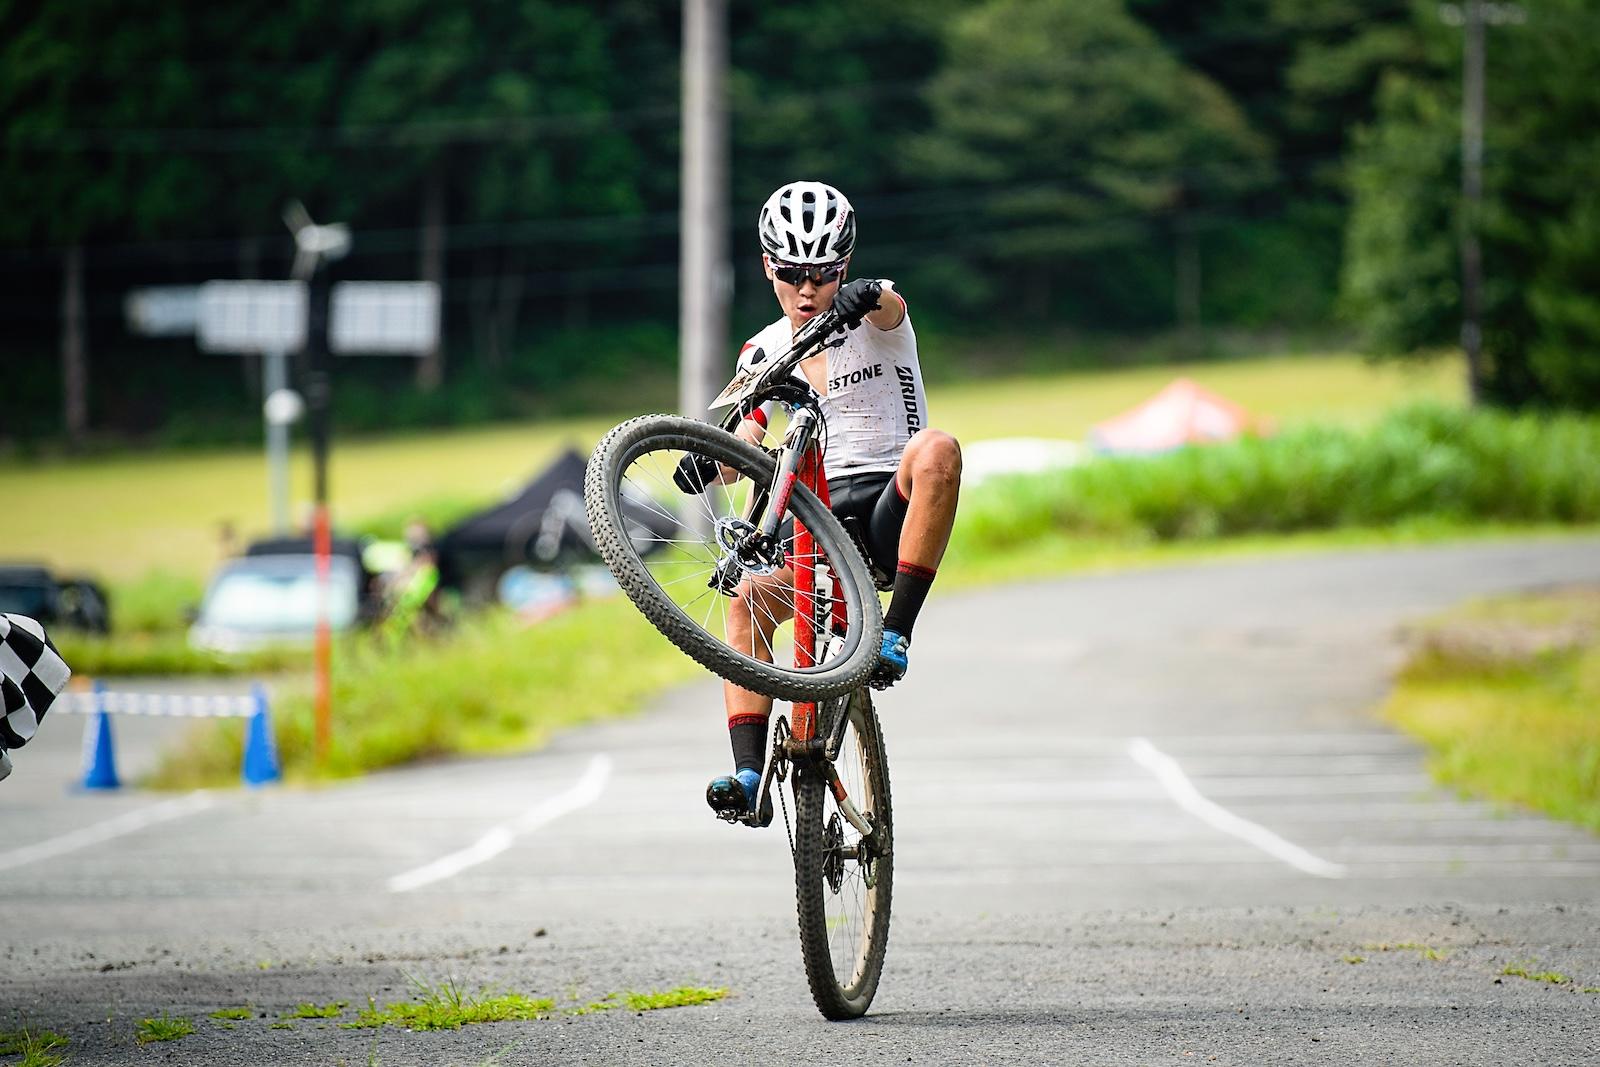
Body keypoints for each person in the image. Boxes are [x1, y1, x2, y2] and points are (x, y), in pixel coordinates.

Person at [701, 180, 962, 821]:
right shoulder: (763, 350)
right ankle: (748, 775)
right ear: (768, 267)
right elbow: (745, 447)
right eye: (791, 274)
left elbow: (889, 303)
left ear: (841, 267)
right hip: (808, 520)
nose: (807, 289)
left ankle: (894, 635)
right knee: (746, 598)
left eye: (821, 274)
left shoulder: (877, 323)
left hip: (881, 507)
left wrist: (867, 293)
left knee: (938, 450)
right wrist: (713, 453)